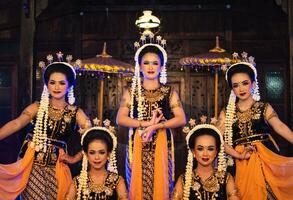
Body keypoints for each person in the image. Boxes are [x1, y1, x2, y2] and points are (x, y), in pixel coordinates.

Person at [0, 53, 91, 200]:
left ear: (69, 85)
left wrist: (75, 158)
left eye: (62, 83)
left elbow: (92, 138)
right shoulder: (37, 107)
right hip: (32, 167)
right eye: (52, 82)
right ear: (46, 85)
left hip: (58, 170)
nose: (56, 87)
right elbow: (17, 123)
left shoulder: (76, 113)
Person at [116, 35, 186, 200]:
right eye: (146, 63)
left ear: (161, 67)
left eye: (155, 63)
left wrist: (157, 126)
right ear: (139, 67)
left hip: (163, 146)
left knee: (163, 185)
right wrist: (147, 123)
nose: (150, 67)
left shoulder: (169, 92)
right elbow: (120, 118)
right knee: (137, 184)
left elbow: (181, 118)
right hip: (137, 145)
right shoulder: (131, 92)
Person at [217, 58, 293, 199]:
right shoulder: (226, 112)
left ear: (253, 83)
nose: (241, 89)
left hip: (265, 157)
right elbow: (217, 139)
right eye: (236, 85)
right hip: (239, 160)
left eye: (245, 83)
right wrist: (237, 154)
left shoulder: (264, 107)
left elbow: (280, 126)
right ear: (232, 89)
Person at [172, 123, 239, 200]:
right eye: (200, 149)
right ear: (193, 151)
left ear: (216, 152)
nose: (205, 154)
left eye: (210, 149)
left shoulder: (226, 178)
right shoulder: (184, 180)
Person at [65, 126, 128, 200]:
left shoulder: (117, 181)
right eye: (92, 153)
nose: (97, 157)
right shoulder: (78, 181)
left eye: (101, 152)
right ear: (86, 154)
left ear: (108, 154)